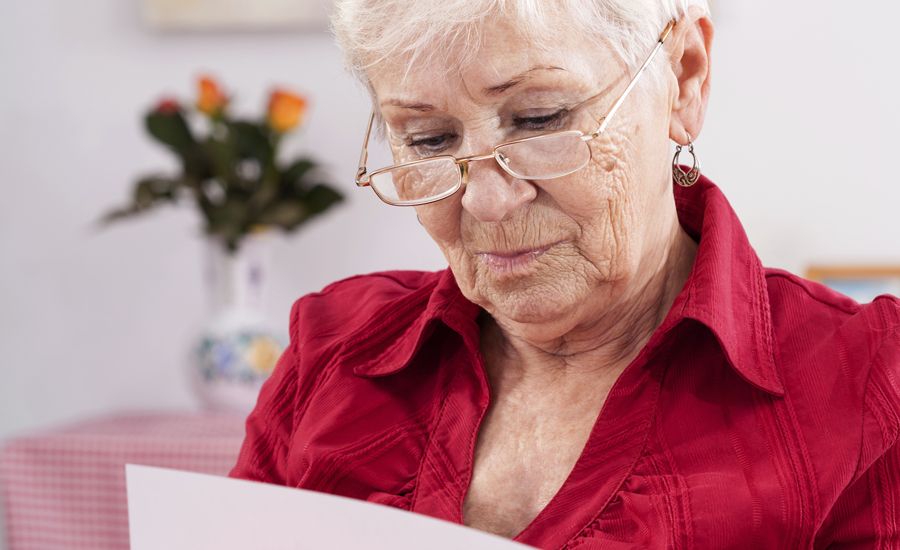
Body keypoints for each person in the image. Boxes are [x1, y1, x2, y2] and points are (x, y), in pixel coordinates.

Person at [229, 1, 900, 547]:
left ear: (686, 78)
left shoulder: (866, 385)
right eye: (429, 139)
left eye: (538, 119)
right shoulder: (334, 351)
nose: (486, 201)